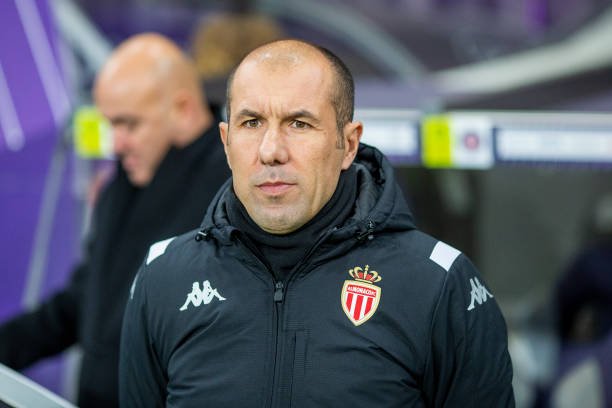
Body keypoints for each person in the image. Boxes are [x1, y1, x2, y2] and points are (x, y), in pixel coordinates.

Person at [120, 39, 514, 406]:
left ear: (349, 144)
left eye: (299, 124)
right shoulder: (164, 278)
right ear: (226, 142)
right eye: (251, 123)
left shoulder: (438, 285)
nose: (271, 151)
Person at [0, 33, 231, 407]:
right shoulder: (122, 185)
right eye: (110, 125)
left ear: (184, 109)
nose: (115, 143)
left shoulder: (231, 195)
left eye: (129, 125)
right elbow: (83, 302)